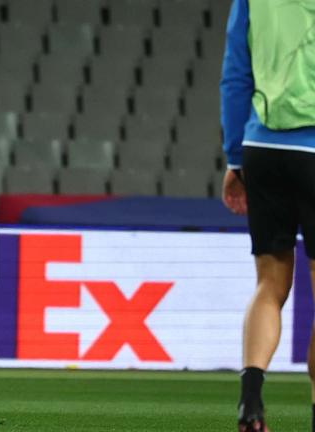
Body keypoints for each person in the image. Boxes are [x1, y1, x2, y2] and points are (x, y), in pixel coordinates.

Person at [220, 0, 315, 430]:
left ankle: (251, 397)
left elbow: (235, 75)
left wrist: (235, 158)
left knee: (269, 284)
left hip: (265, 148)